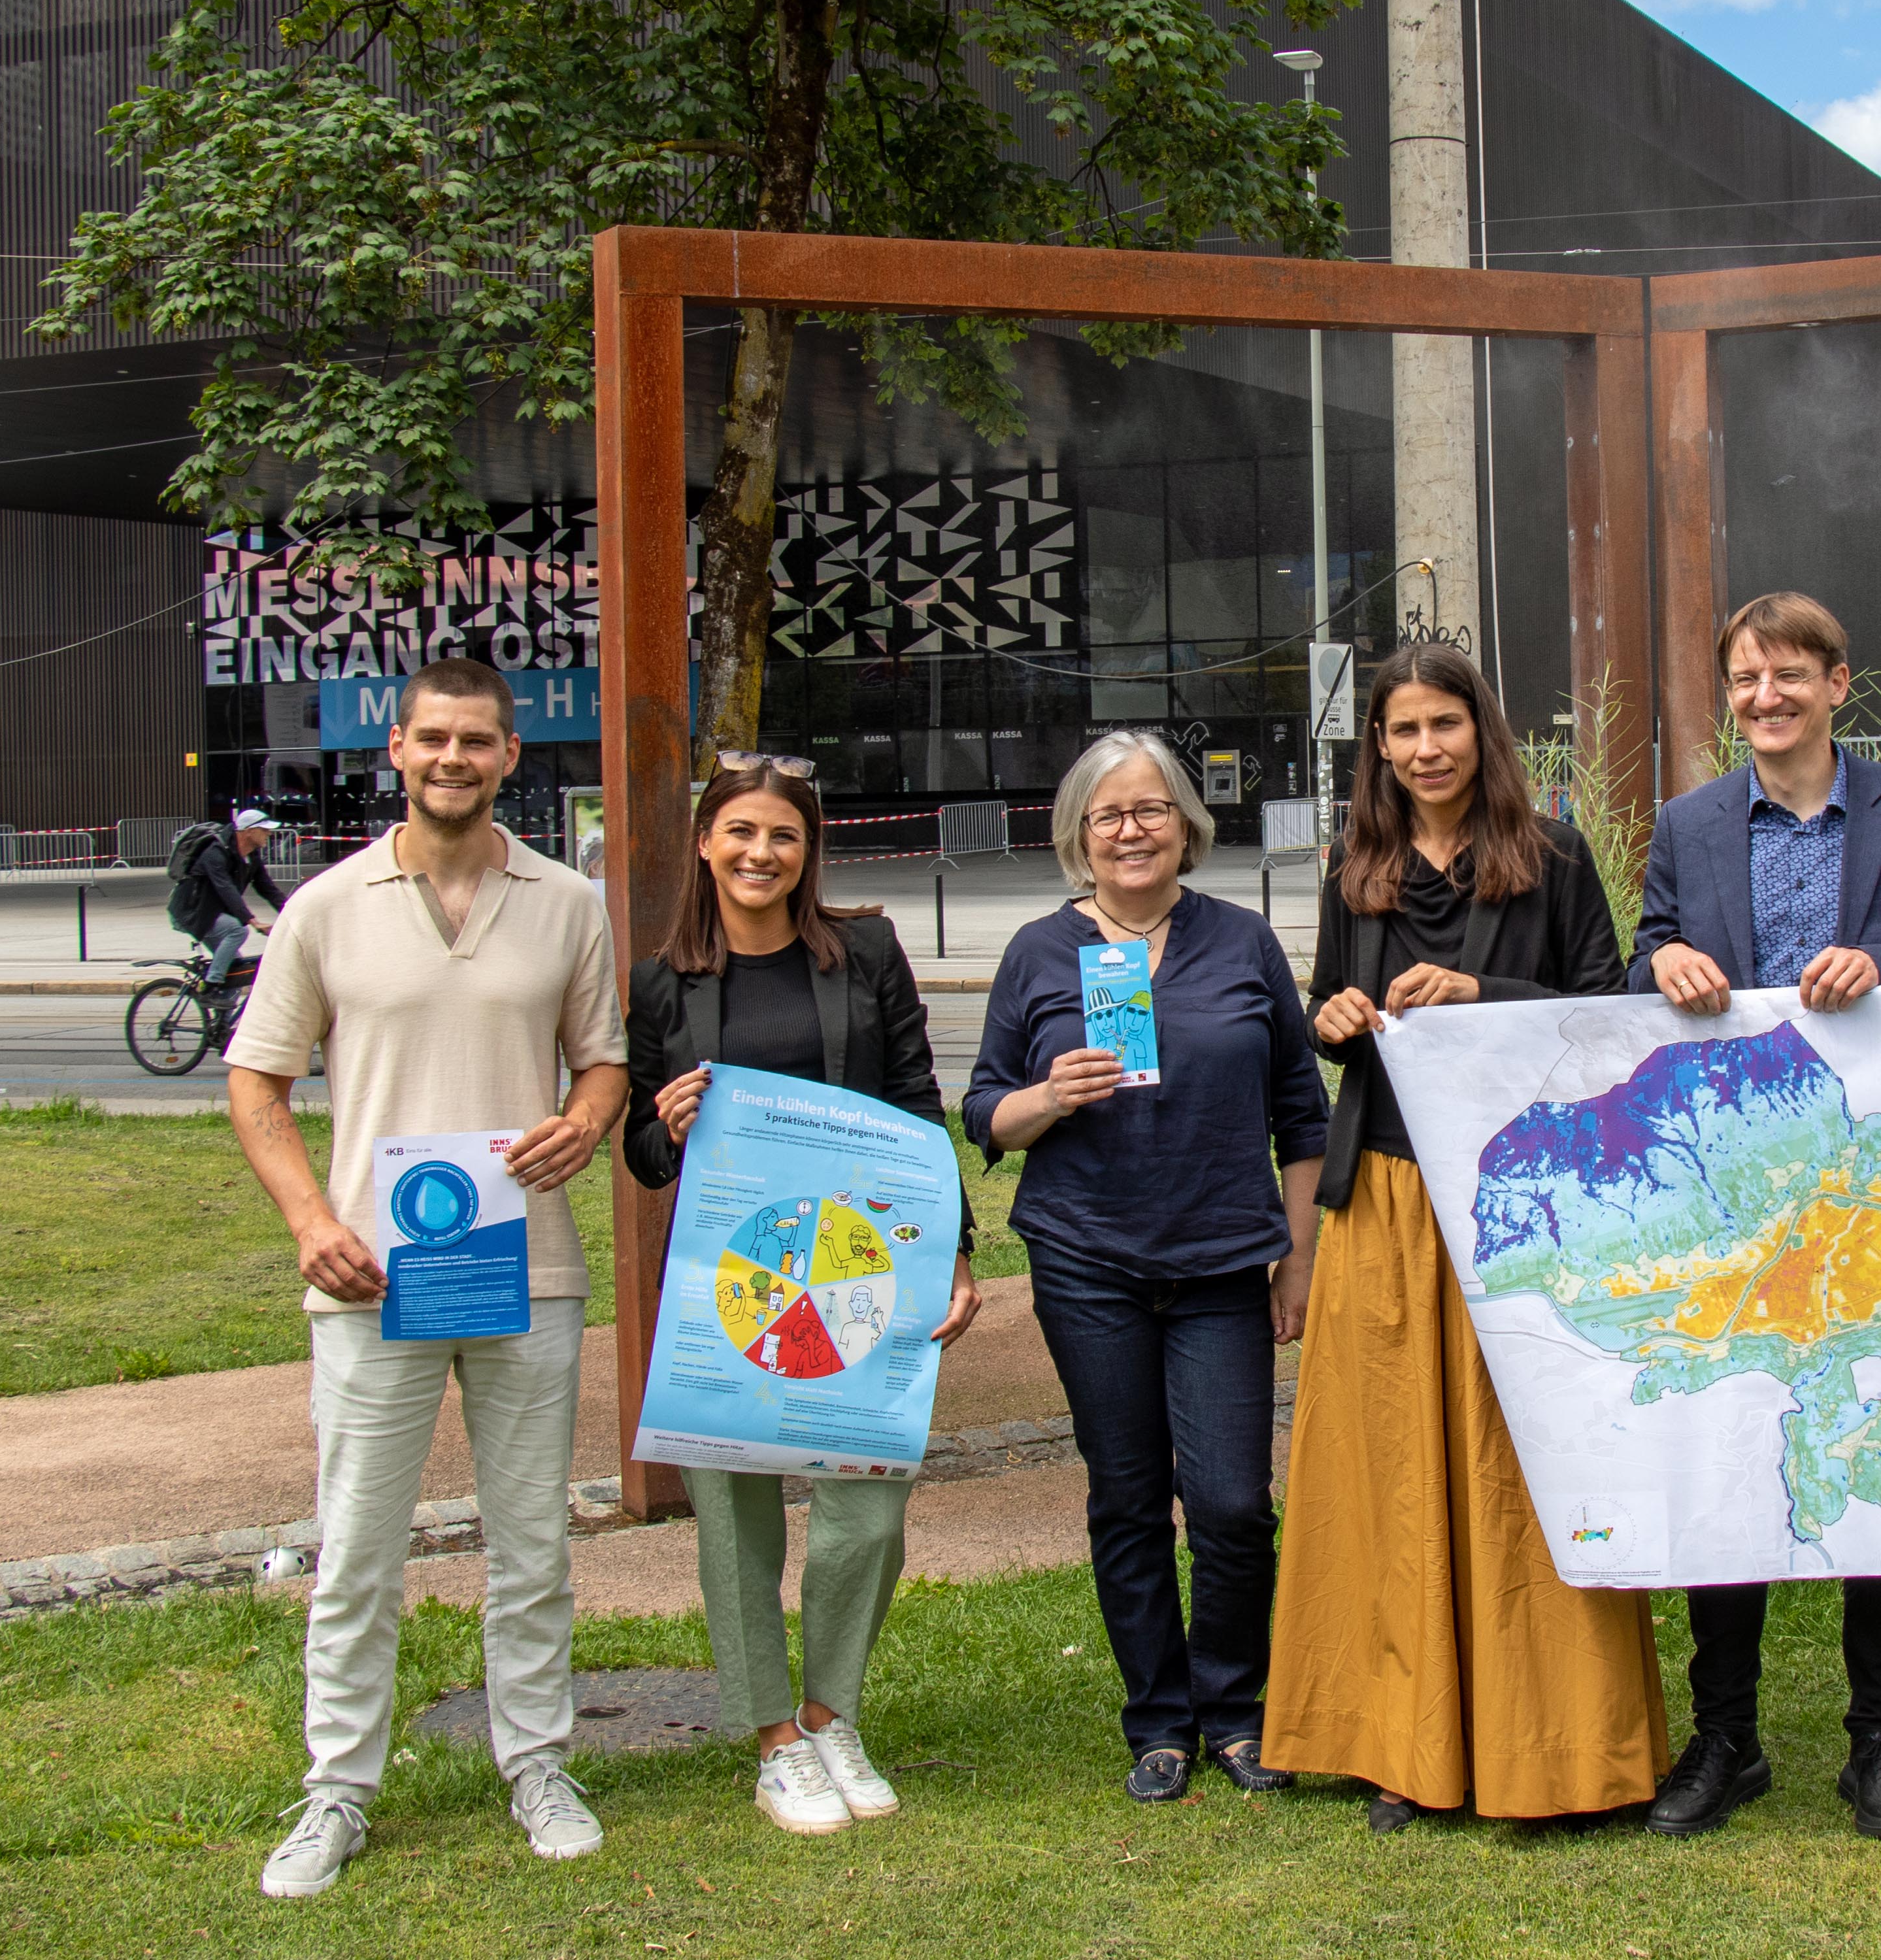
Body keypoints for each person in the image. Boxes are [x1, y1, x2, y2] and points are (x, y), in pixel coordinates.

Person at [224, 656, 629, 1898]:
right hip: (367, 1280)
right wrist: (307, 1219)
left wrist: (586, 1119)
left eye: (478, 742)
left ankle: (540, 1764)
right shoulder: (327, 908)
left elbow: (601, 1060)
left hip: (528, 1274)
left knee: (532, 1545)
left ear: (513, 756)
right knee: (354, 1545)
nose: (454, 759)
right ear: (395, 750)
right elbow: (257, 1079)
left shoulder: (568, 902)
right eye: (433, 739)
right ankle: (336, 1789)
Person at [1263, 640, 1667, 1833]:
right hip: (1385, 1192)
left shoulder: (1550, 855)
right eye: (1400, 731)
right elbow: (1332, 1027)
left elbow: (1610, 1018)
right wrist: (1330, 1013)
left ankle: (1557, 1744)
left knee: (1524, 1465)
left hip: (1523, 1207)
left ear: (1477, 730)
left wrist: (1484, 997)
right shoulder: (1355, 865)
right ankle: (1401, 1741)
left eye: (1442, 724)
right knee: (1390, 1469)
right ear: (1376, 749)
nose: (1423, 748)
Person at [1624, 591, 1881, 1843]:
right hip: (1736, 1198)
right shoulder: (1685, 825)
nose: (1764, 696)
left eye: (1788, 674)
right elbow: (1638, 968)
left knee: (1872, 1435)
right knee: (1730, 1437)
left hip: (1870, 1191)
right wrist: (1664, 963)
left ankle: (1879, 1741)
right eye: (1743, 678)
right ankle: (1723, 1735)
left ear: (1840, 683)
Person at [963, 730, 1329, 1804]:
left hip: (1220, 1260)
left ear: (1186, 823)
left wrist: (1295, 1262)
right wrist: (1046, 1096)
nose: (1131, 828)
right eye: (1109, 812)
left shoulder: (1242, 939)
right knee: (1125, 1495)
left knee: (1228, 1501)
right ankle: (1158, 1720)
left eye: (1151, 808)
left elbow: (1299, 1116)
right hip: (1088, 1263)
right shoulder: (1039, 949)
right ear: (1080, 830)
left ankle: (1236, 1705)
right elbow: (984, 1106)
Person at [622, 757, 986, 1835]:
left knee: (865, 1506)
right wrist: (668, 1120)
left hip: (862, 1272)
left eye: (781, 835)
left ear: (807, 848)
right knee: (732, 1518)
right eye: (739, 831)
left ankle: (833, 1711)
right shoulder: (659, 982)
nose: (759, 853)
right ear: (705, 840)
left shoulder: (863, 949)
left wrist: (956, 1251)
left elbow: (918, 1099)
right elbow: (642, 1156)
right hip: (729, 1285)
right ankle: (773, 1735)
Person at [173, 808, 290, 986]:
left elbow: (268, 889)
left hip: (214, 913)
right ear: (249, 831)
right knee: (238, 930)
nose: (269, 834)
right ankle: (212, 983)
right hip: (193, 912)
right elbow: (226, 888)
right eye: (264, 829)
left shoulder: (251, 857)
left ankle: (221, 1008)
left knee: (236, 976)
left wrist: (293, 913)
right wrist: (252, 921)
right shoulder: (215, 852)